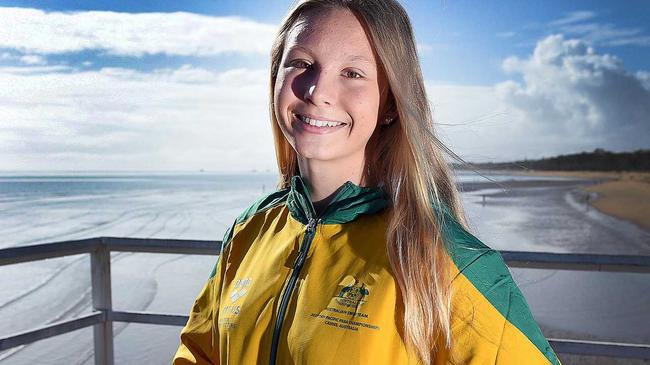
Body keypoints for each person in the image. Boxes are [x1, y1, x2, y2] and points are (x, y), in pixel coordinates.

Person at [173, 0, 561, 364]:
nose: (316, 91)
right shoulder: (250, 230)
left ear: (390, 102)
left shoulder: (444, 259)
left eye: (352, 73)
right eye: (301, 63)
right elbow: (198, 354)